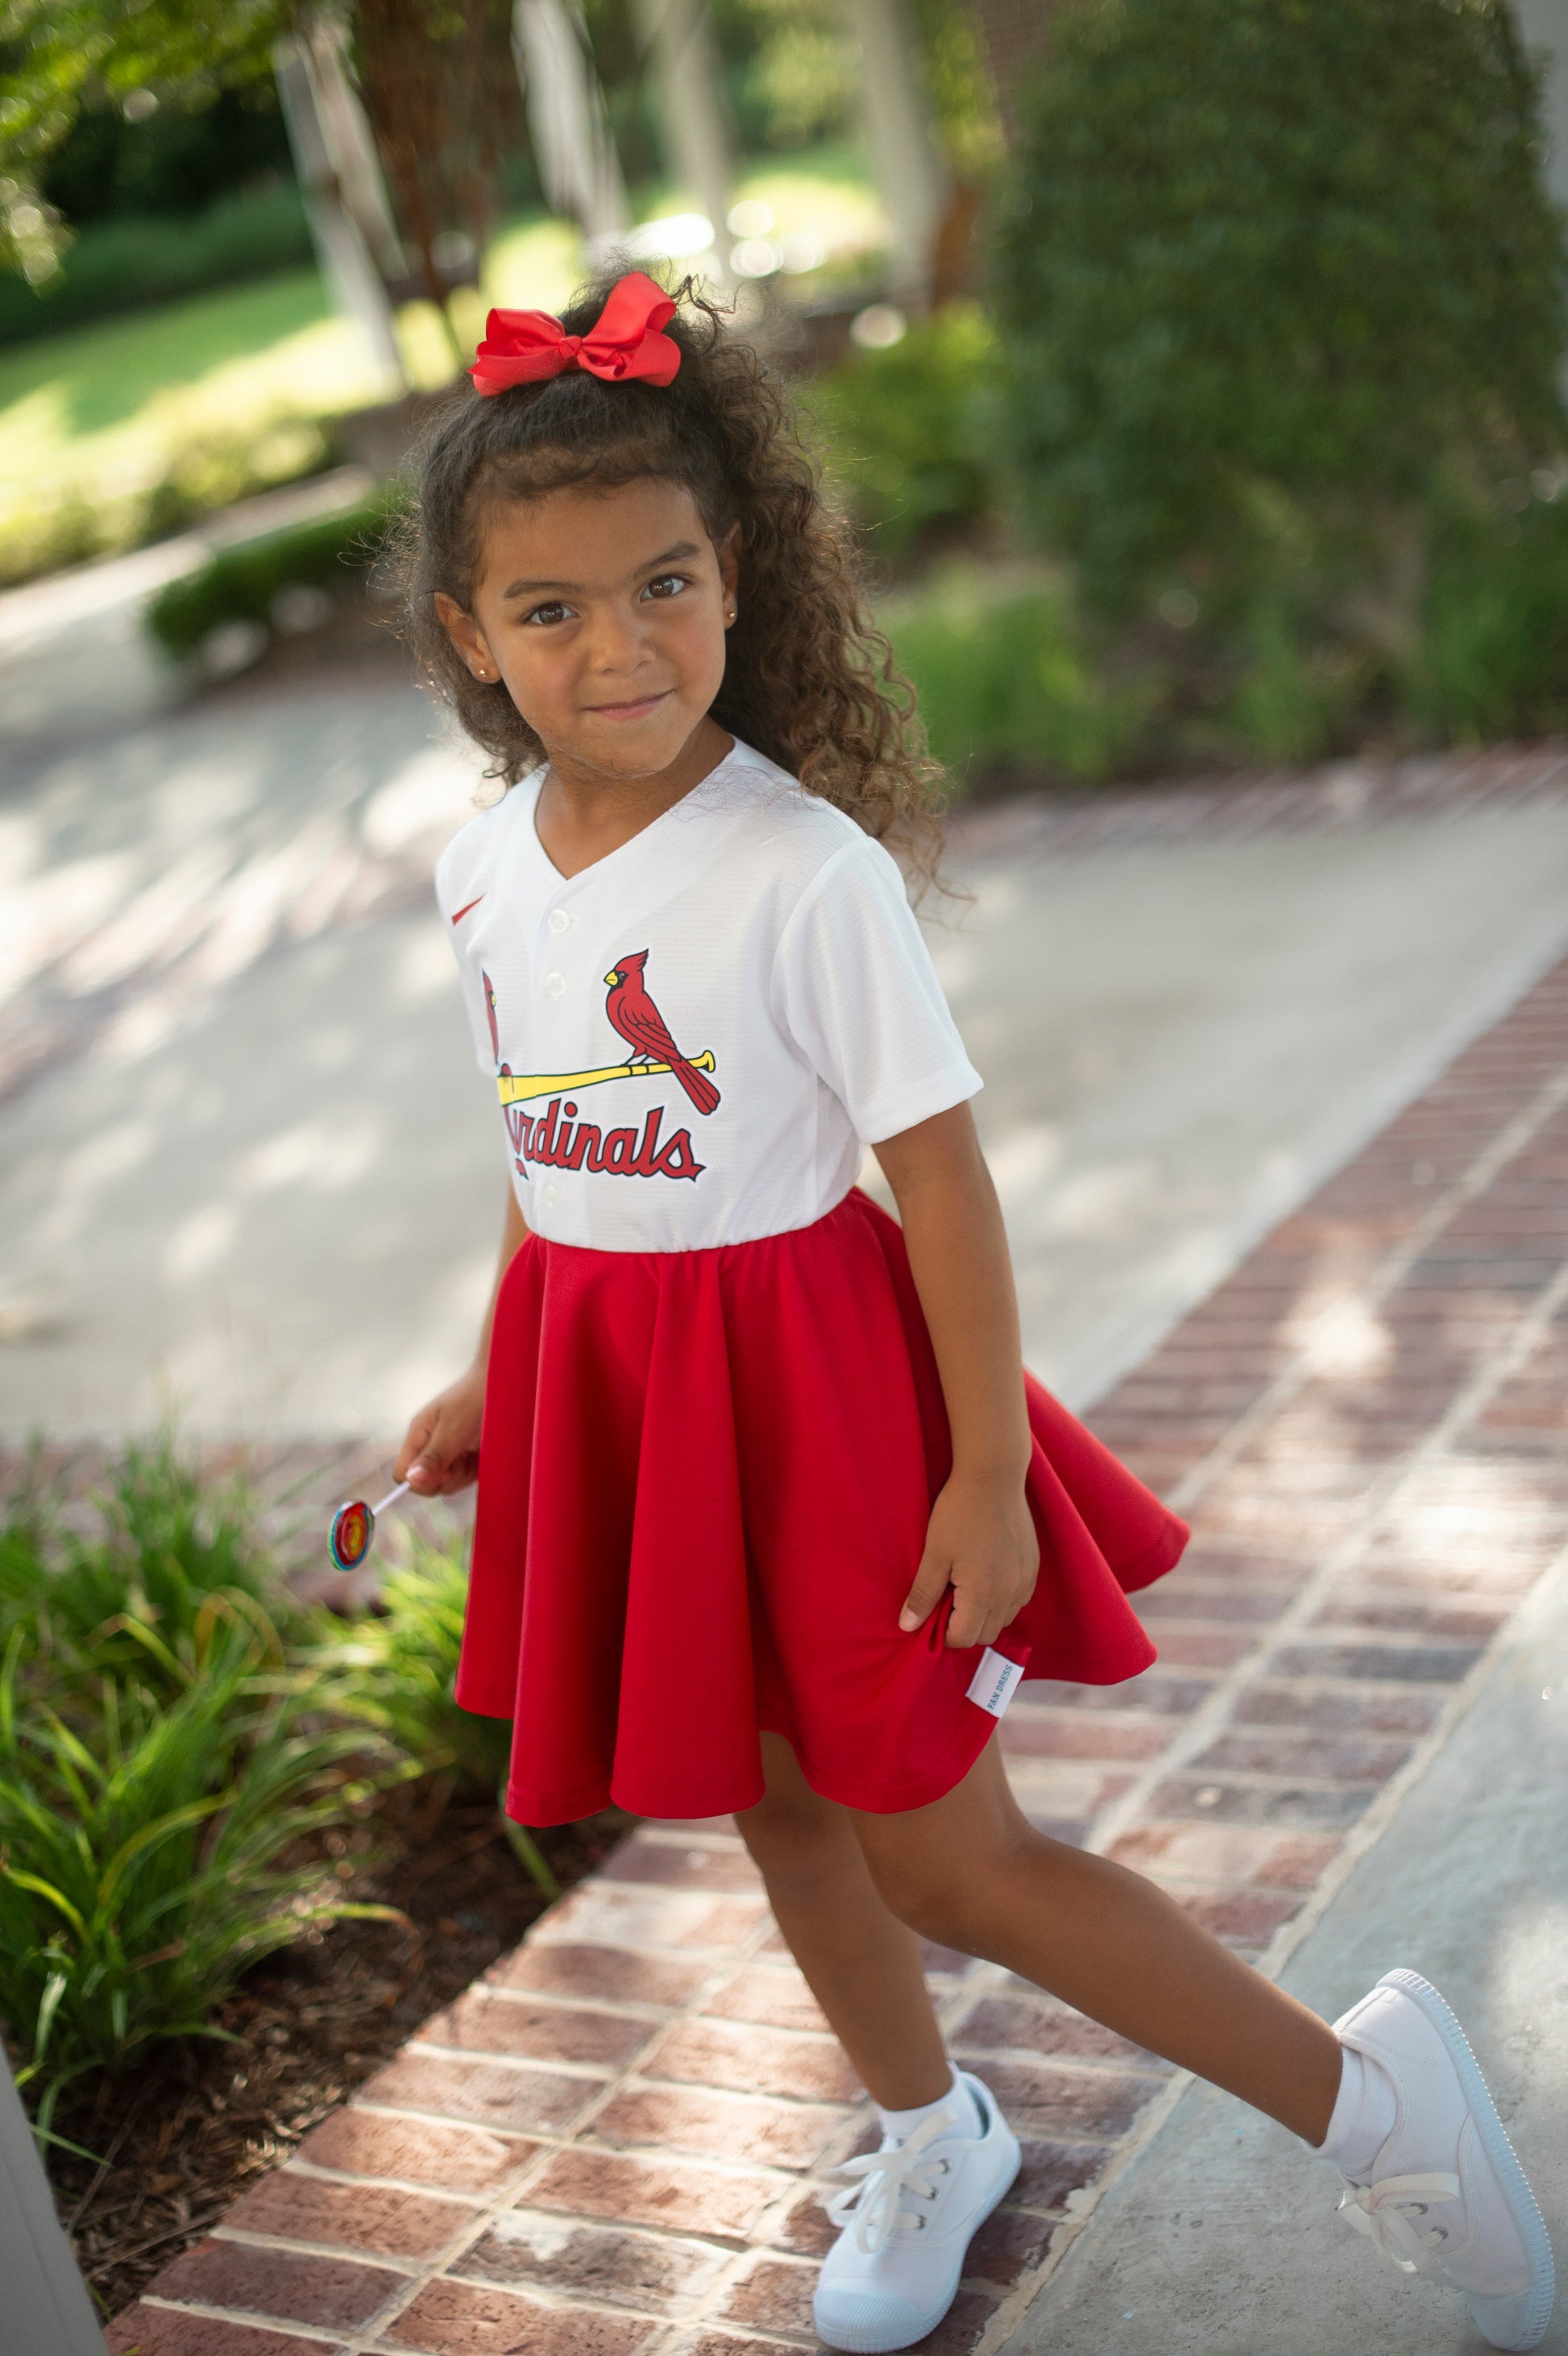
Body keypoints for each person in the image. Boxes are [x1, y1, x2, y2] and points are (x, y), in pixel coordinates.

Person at [390, 271, 1553, 2354]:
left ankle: (1369, 2096)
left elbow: (936, 1174)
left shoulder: (794, 873)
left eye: (660, 582)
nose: (616, 642)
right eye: (548, 609)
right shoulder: (487, 867)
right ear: (468, 638)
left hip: (820, 1389)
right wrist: (496, 1360)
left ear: (733, 574)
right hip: (622, 1377)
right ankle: (931, 2124)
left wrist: (991, 1474)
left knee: (952, 1853)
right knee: (771, 1795)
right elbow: (538, 1132)